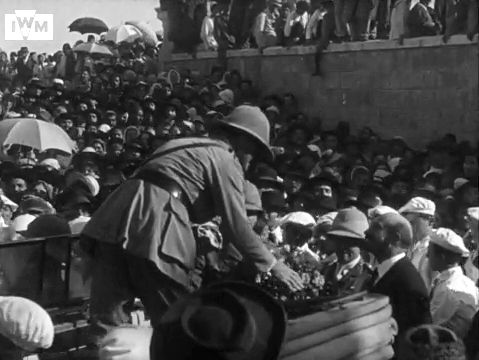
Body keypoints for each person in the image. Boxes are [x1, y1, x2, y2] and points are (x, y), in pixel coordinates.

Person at [80, 105, 303, 330]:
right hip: (156, 222)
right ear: (243, 140)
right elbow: (236, 225)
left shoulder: (179, 144)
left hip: (113, 218)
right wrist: (274, 265)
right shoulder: (225, 158)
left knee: (107, 322)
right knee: (179, 324)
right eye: (255, 151)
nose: (252, 160)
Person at [363, 213, 431, 342]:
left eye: (376, 227)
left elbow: (414, 337)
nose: (366, 232)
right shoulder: (381, 272)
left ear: (395, 237)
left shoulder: (408, 282)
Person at [427, 227, 479, 339]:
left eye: (429, 252)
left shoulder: (448, 289)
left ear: (442, 256)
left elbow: (432, 325)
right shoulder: (465, 282)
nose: (427, 256)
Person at [323, 207, 373, 296]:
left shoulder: (367, 277)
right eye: (339, 240)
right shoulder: (324, 269)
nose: (343, 247)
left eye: (349, 242)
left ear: (361, 245)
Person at [399, 196, 436, 290]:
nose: (408, 228)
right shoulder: (409, 246)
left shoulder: (434, 248)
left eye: (412, 223)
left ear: (430, 221)